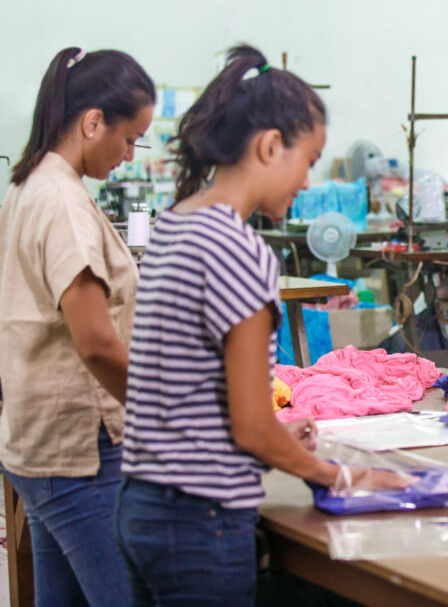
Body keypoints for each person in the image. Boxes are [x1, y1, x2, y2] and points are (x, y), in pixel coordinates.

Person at [115, 45, 344, 603]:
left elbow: (183, 387)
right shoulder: (240, 250)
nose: (308, 184)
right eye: (308, 161)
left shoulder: (175, 225)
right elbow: (250, 427)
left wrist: (274, 436)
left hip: (142, 508)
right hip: (201, 521)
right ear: (270, 145)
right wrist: (336, 476)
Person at [0, 47, 155, 604]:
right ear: (93, 122)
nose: (130, 154)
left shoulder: (28, 187)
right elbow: (93, 343)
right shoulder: (62, 201)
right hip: (78, 451)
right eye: (130, 138)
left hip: (37, 442)